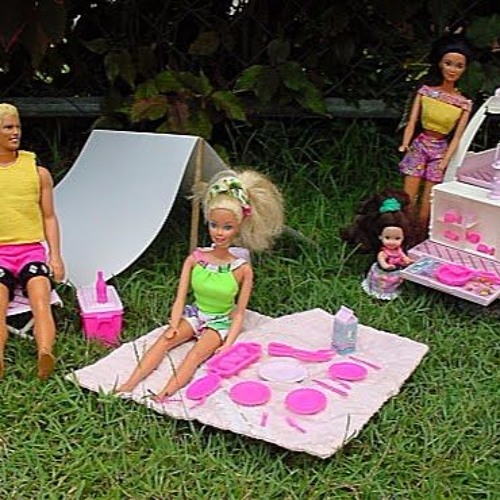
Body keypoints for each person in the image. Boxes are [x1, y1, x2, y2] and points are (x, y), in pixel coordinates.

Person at [115, 169, 284, 400]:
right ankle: (129, 384)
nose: (219, 233)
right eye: (214, 225)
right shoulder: (195, 259)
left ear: (238, 228)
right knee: (163, 342)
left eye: (227, 227)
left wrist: (228, 343)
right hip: (195, 313)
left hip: (220, 320)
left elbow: (239, 313)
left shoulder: (242, 269)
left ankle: (164, 393)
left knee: (194, 356)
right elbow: (180, 297)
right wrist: (174, 323)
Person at [0, 103, 65, 379]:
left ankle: (45, 352)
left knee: (40, 296)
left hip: (31, 251)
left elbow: (49, 217)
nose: (15, 132)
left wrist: (55, 256)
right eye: (8, 127)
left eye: (17, 127)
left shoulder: (37, 173)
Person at [398, 32, 474, 226]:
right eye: (448, 63)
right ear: (440, 63)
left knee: (429, 202)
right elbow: (412, 121)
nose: (452, 70)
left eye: (459, 66)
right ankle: (403, 231)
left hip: (440, 151)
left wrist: (446, 160)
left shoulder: (463, 103)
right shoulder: (426, 92)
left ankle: (423, 231)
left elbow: (457, 137)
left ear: (465, 69)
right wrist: (405, 143)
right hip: (419, 145)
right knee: (408, 197)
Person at [341, 189, 416, 300]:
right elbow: (381, 259)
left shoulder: (400, 249)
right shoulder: (381, 251)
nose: (392, 242)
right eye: (387, 238)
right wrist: (385, 265)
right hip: (383, 272)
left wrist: (407, 260)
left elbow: (403, 256)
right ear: (379, 236)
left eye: (397, 238)